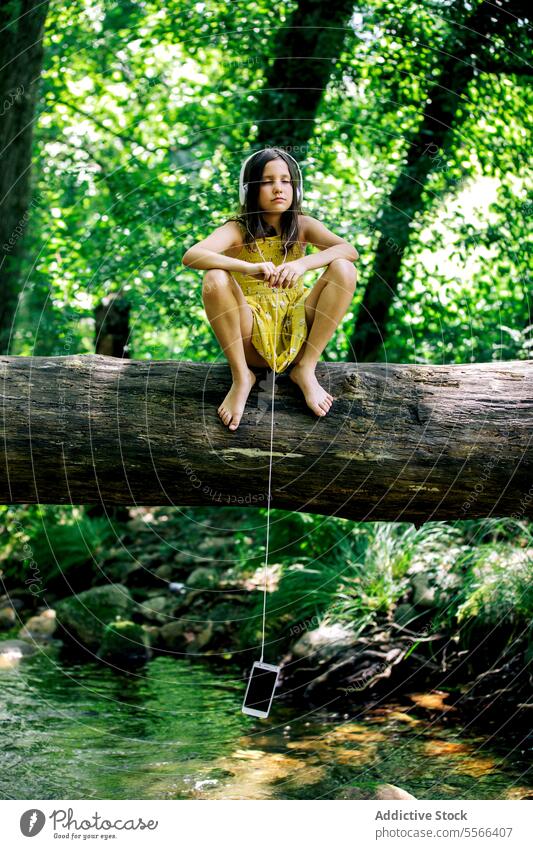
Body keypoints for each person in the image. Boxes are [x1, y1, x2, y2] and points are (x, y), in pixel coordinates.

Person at [182, 147, 359, 431]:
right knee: (214, 276)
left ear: (295, 188)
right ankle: (242, 378)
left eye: (285, 181)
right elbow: (192, 256)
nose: (278, 188)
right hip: (251, 337)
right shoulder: (238, 229)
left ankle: (305, 369)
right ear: (250, 189)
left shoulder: (303, 225)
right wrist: (249, 268)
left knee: (344, 268)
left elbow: (348, 250)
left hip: (297, 333)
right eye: (267, 181)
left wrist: (303, 265)